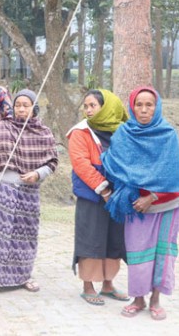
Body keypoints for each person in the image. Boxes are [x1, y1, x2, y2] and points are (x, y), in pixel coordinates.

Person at [101, 87, 179, 321]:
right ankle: (138, 299)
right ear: (132, 106)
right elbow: (114, 167)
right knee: (138, 254)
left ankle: (156, 299)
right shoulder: (123, 134)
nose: (143, 109)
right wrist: (129, 193)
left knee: (163, 254)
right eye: (139, 104)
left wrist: (152, 197)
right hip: (137, 208)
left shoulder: (167, 134)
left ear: (157, 106)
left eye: (149, 104)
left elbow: (174, 175)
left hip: (167, 206)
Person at [0, 89, 58, 292]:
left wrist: (37, 173)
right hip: (0, 190)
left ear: (34, 108)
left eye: (26, 105)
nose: (21, 109)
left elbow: (52, 162)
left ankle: (23, 275)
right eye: (18, 105)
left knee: (24, 234)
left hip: (28, 192)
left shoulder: (43, 133)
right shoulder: (2, 128)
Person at [67, 89, 130, 306]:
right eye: (86, 106)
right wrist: (103, 190)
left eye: (93, 105)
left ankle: (108, 284)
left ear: (107, 107)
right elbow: (81, 164)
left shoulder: (122, 131)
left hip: (117, 195)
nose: (88, 110)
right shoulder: (80, 132)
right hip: (92, 196)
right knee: (90, 238)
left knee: (114, 238)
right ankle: (88, 286)